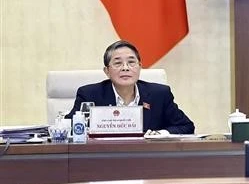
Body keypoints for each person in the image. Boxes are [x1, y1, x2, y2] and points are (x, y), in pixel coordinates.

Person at [66, 40, 194, 134]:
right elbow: (69, 127)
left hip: (147, 161)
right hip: (103, 161)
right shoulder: (89, 94)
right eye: (118, 63)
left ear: (139, 67)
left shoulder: (159, 94)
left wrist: (161, 134)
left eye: (131, 62)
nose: (125, 67)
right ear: (107, 71)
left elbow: (186, 126)